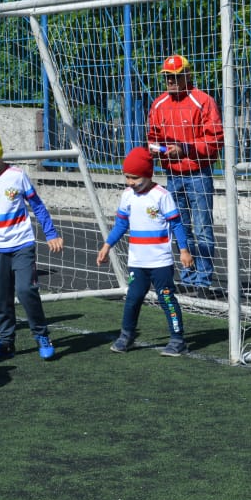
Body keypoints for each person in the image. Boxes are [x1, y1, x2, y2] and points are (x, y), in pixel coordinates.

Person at [0, 126, 64, 360]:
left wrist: (51, 233)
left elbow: (38, 206)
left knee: (26, 289)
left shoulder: (17, 176)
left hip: (22, 244)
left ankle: (41, 335)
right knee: (1, 297)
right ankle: (5, 342)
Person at [96, 146, 194, 356]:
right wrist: (107, 245)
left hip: (160, 262)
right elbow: (121, 225)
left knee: (167, 298)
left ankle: (178, 340)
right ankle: (127, 336)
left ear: (147, 174)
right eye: (127, 177)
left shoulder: (162, 195)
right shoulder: (127, 196)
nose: (130, 182)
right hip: (137, 262)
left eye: (135, 177)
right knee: (133, 298)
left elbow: (177, 225)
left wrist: (184, 250)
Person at [147, 54, 223, 289]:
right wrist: (159, 151)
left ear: (188, 75)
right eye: (167, 77)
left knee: (202, 229)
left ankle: (203, 280)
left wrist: (185, 150)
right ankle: (188, 277)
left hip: (199, 174)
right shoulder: (159, 104)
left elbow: (216, 139)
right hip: (173, 175)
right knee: (180, 228)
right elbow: (152, 138)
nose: (170, 81)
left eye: (175, 76)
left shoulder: (203, 101)